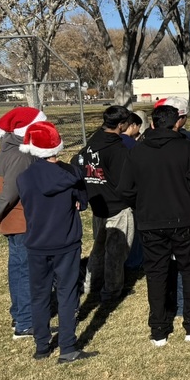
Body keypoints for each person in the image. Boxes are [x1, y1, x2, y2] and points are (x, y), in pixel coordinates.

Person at [118, 103, 190, 346]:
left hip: (151, 221)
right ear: (177, 123)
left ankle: (159, 328)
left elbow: (125, 189)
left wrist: (143, 203)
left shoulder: (138, 152)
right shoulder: (188, 149)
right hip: (184, 218)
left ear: (152, 124)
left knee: (156, 273)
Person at [16, 121, 95, 363]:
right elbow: (82, 202)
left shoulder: (24, 178)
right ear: (57, 146)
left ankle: (42, 346)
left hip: (36, 242)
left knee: (39, 294)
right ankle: (68, 347)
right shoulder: (71, 174)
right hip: (66, 241)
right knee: (67, 292)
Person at [0, 106, 46, 339]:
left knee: (17, 268)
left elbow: (1, 189)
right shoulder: (21, 155)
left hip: (12, 220)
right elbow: (9, 191)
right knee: (26, 271)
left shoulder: (7, 150)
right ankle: (25, 322)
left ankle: (19, 314)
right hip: (21, 219)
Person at [79, 105, 134, 303]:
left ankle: (90, 283)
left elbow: (77, 161)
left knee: (99, 248)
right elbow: (126, 181)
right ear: (121, 125)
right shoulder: (117, 149)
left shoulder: (93, 141)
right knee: (116, 252)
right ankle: (111, 290)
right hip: (116, 206)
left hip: (98, 204)